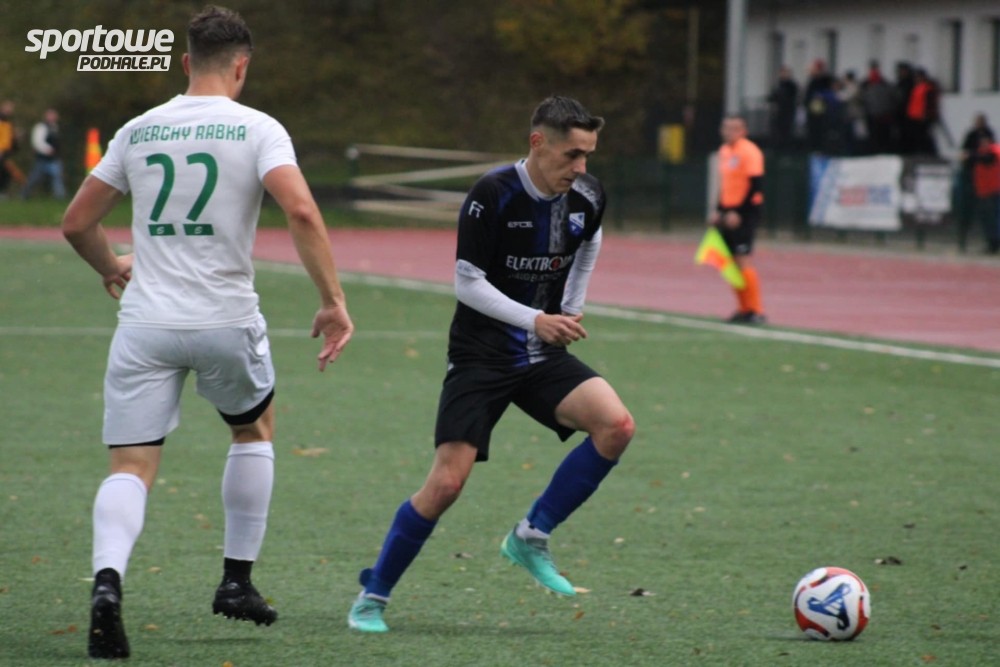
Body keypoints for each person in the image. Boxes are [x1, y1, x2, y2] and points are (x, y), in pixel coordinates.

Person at [61, 6, 354, 659]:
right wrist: (332, 301)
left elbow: (77, 221)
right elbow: (301, 209)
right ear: (241, 66)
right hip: (225, 319)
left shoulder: (138, 129)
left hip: (146, 323)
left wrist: (112, 266)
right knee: (252, 429)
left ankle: (107, 583)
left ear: (186, 62)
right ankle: (236, 582)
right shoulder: (258, 128)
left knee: (131, 464)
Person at [345, 96, 635, 633]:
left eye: (588, 155)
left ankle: (531, 536)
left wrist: (570, 306)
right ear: (537, 143)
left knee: (616, 425)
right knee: (446, 484)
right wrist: (536, 319)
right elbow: (467, 283)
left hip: (541, 353)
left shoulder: (588, 194)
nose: (581, 167)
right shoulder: (492, 194)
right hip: (480, 356)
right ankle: (372, 595)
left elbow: (589, 242)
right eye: (572, 154)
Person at [709, 115, 766, 324]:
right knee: (730, 262)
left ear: (744, 131)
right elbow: (726, 186)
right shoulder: (724, 151)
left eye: (734, 128)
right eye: (726, 127)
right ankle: (743, 308)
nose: (729, 132)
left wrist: (738, 213)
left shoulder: (749, 151)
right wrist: (719, 210)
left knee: (743, 259)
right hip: (728, 211)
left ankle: (755, 310)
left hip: (745, 212)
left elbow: (755, 186)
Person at [21, 107, 66, 199]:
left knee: (58, 177)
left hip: (54, 158)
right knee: (34, 178)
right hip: (42, 158)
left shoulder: (55, 127)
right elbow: (37, 142)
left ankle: (60, 196)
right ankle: (24, 194)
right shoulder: (40, 127)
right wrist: (47, 149)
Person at [970, 134, 1000, 254]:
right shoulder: (981, 153)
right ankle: (991, 243)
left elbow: (988, 159)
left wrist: (970, 156)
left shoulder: (994, 152)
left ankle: (994, 243)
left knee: (994, 219)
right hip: (983, 191)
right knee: (987, 219)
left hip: (994, 191)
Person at [767, 65, 799, 151]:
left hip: (788, 112)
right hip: (779, 112)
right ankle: (777, 147)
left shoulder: (791, 85)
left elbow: (792, 97)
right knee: (777, 131)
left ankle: (786, 148)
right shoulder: (778, 85)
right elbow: (772, 97)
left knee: (787, 131)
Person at [0, 100, 17, 197]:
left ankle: (2, 193)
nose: (9, 110)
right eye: (8, 107)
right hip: (1, 151)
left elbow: (8, 137)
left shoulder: (8, 121)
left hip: (6, 152)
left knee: (6, 173)